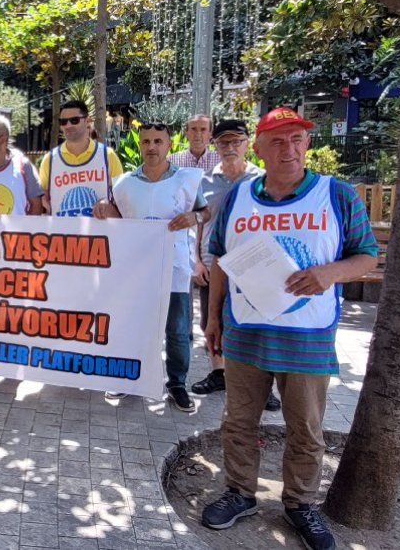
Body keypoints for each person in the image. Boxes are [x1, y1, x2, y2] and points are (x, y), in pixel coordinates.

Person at [199, 107, 378, 550]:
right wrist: (213, 317)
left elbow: (367, 255)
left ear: (308, 143)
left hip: (307, 336)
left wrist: (330, 272)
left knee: (306, 428)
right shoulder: (239, 198)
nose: (289, 149)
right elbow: (219, 259)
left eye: (297, 139)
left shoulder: (336, 195)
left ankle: (300, 503)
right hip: (245, 332)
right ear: (259, 148)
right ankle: (240, 492)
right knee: (238, 421)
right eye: (277, 141)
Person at [95, 122, 209, 411]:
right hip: (136, 269)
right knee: (133, 325)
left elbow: (205, 211)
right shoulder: (124, 183)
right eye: (146, 141)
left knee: (177, 330)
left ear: (169, 145)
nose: (151, 147)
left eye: (158, 141)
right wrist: (104, 207)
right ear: (140, 145)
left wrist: (194, 218)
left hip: (175, 268)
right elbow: (117, 216)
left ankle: (177, 384)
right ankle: (128, 378)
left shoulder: (186, 180)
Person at [187, 120, 280, 412]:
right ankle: (219, 373)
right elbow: (197, 223)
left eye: (236, 141)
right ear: (215, 145)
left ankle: (264, 387)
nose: (230, 147)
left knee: (257, 326)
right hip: (213, 263)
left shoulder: (264, 179)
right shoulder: (204, 181)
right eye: (224, 142)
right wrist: (196, 261)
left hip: (254, 267)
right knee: (211, 320)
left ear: (247, 144)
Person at [38, 99, 123, 217]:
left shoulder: (107, 156)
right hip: (63, 229)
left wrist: (108, 206)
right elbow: (42, 200)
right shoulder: (50, 160)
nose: (68, 125)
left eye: (74, 120)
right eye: (63, 122)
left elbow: (122, 202)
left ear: (87, 121)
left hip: (99, 229)